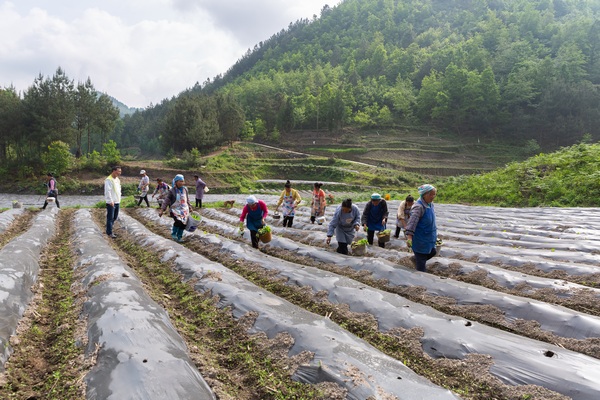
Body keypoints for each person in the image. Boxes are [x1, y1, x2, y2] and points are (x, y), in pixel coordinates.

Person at [405, 184, 438, 272]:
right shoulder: (418, 207)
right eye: (431, 194)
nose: (433, 196)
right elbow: (412, 223)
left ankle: (416, 259)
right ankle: (420, 283)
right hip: (420, 239)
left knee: (433, 252)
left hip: (429, 237)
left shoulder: (430, 204)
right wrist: (409, 237)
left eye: (434, 194)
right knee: (421, 267)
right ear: (424, 195)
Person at [159, 174, 193, 242]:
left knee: (184, 224)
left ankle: (179, 237)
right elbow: (166, 200)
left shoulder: (185, 189)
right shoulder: (172, 191)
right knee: (178, 221)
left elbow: (187, 199)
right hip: (175, 210)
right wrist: (162, 210)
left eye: (182, 181)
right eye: (180, 181)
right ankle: (174, 234)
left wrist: (190, 207)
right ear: (176, 182)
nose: (182, 183)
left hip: (184, 210)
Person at [104, 166, 122, 238]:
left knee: (115, 217)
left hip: (117, 201)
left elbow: (119, 190)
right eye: (118, 171)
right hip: (111, 202)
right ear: (114, 171)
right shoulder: (109, 180)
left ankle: (110, 230)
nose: (119, 173)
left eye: (120, 171)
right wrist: (110, 201)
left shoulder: (117, 179)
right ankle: (109, 232)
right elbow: (108, 191)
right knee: (110, 217)